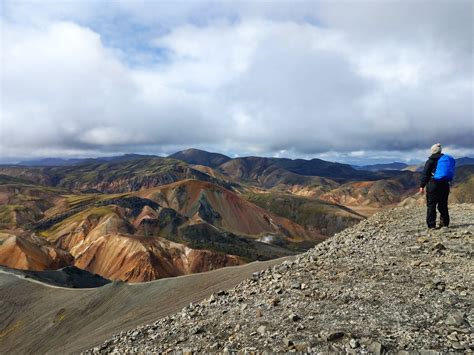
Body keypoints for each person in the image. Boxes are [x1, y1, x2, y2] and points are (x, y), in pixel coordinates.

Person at [419, 143, 451, 229]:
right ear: (440, 151)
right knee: (443, 205)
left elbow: (425, 174)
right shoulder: (446, 160)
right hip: (444, 185)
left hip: (433, 185)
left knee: (431, 205)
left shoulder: (430, 161)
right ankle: (445, 224)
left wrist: (422, 185)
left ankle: (431, 225)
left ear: (432, 151)